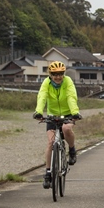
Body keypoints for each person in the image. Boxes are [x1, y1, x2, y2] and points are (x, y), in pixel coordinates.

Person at [33, 61, 82, 189]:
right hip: (52, 115)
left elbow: (71, 96)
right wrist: (38, 111)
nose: (58, 77)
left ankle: (72, 150)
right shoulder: (46, 83)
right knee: (50, 142)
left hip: (68, 114)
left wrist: (75, 112)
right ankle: (48, 173)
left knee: (66, 128)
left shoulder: (68, 81)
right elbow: (42, 96)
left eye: (60, 74)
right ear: (50, 74)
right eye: (55, 74)